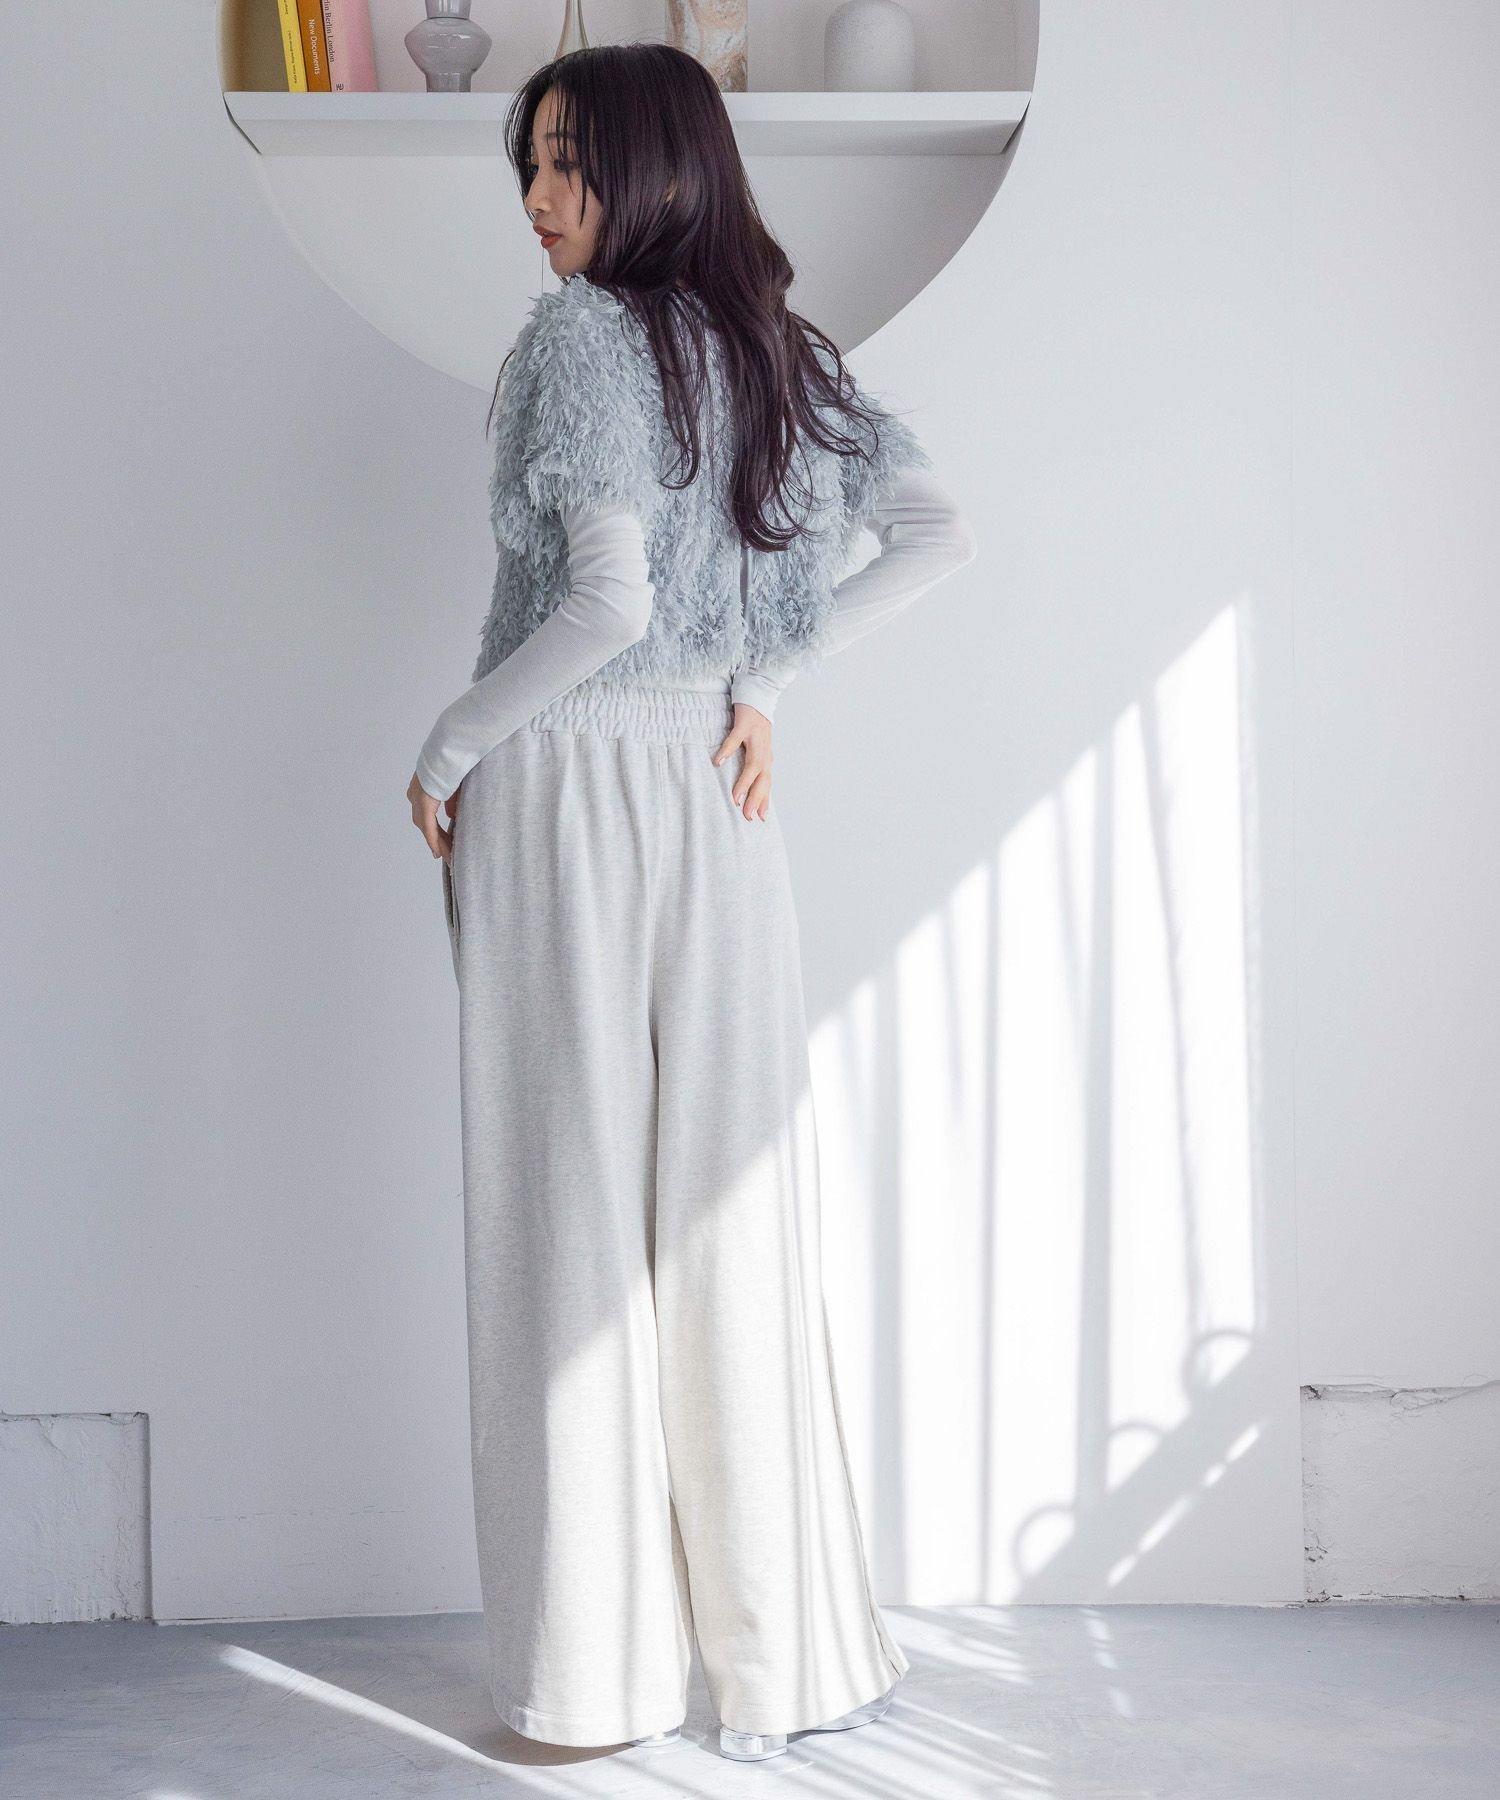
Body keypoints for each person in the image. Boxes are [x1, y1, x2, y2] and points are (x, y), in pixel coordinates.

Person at [406, 43, 977, 1764]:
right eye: (532, 162)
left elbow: (600, 602)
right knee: (731, 1207)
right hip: (716, 799)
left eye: (569, 163)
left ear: (657, 168)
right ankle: (789, 1663)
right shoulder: (775, 348)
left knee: (565, 1217)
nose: (539, 199)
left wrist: (447, 744)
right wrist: (761, 686)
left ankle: (593, 1680)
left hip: (566, 782)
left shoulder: (579, 339)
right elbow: (936, 533)